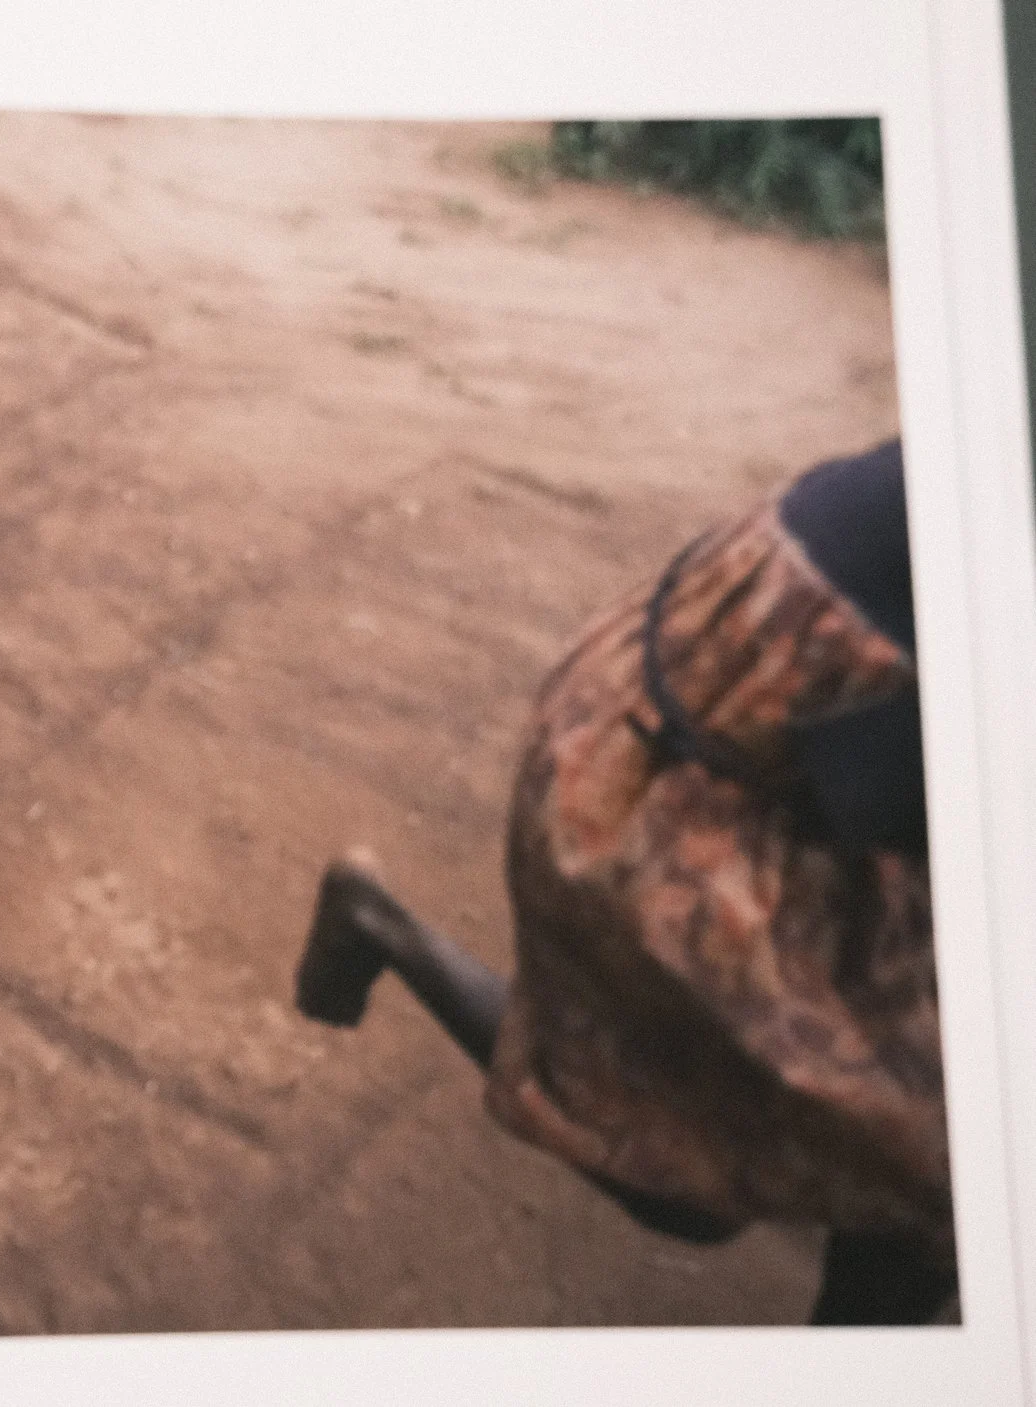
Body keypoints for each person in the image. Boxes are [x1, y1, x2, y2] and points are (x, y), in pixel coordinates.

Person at [297, 439, 953, 1325]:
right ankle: (387, 929)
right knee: (699, 1172)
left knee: (911, 1169)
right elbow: (900, 798)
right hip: (665, 782)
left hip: (768, 753)